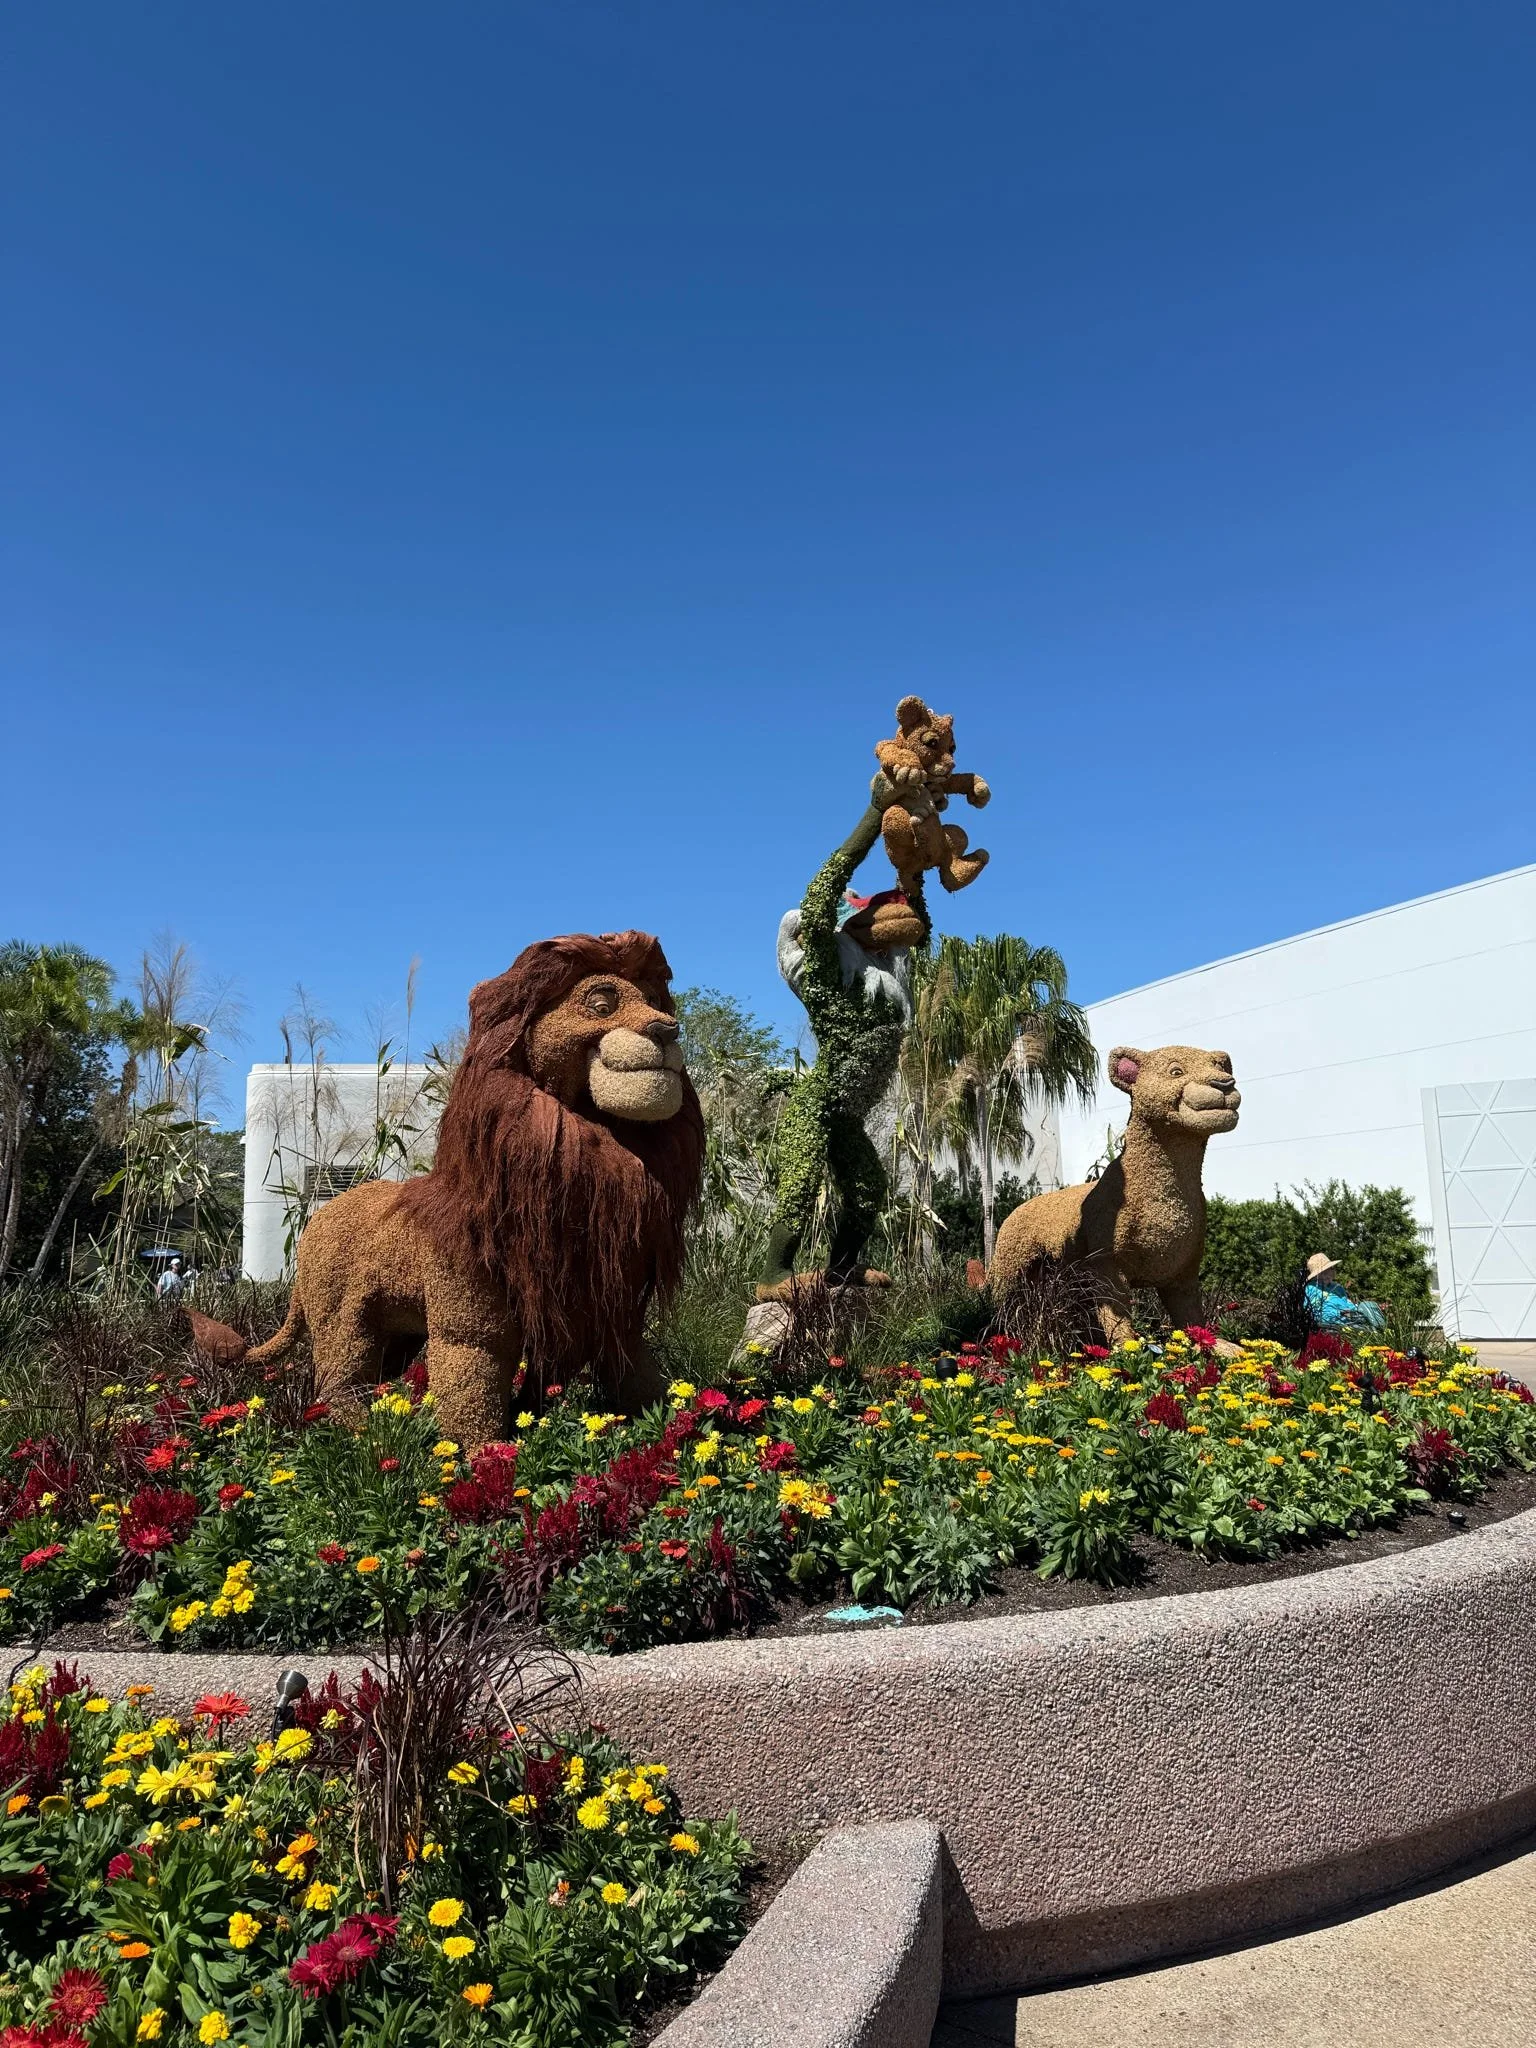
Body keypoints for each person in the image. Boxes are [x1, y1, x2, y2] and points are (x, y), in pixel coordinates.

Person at [1303, 1252, 1384, 1332]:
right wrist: (1340, 1314)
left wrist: (1355, 1311)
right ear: (1315, 1276)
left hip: (1351, 1322)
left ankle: (1381, 1331)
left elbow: (1348, 1304)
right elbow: (1318, 1312)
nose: (1326, 1275)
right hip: (1330, 1326)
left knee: (1369, 1306)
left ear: (1332, 1271)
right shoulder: (1311, 1288)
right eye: (1322, 1273)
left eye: (1328, 1271)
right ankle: (1379, 1332)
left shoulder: (1338, 1288)